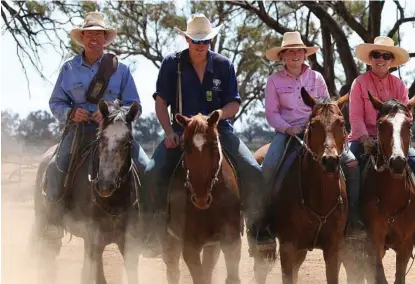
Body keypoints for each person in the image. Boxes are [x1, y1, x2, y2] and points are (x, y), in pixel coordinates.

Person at [141, 14, 276, 257]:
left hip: (219, 131)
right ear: (186, 39)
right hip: (183, 133)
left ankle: (258, 229)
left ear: (211, 40)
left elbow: (234, 104)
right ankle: (152, 230)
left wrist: (219, 114)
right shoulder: (173, 64)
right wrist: (169, 132)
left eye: (205, 41)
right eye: (195, 40)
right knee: (151, 173)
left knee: (253, 172)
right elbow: (161, 104)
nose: (200, 45)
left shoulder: (223, 65)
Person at [46, 12, 149, 235]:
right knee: (56, 166)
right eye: (89, 34)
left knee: (145, 166)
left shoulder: (121, 70)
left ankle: (146, 227)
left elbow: (135, 105)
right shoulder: (68, 69)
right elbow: (55, 102)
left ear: (105, 39)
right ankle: (52, 224)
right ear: (82, 37)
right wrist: (71, 113)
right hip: (80, 131)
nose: (94, 39)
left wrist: (112, 115)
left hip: (114, 132)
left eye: (99, 35)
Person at [263, 31, 364, 238]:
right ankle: (263, 221)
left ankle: (353, 217)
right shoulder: (274, 81)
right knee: (268, 166)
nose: (295, 54)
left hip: (318, 130)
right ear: (283, 55)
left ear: (304, 53)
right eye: (290, 51)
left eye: (299, 50)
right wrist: (287, 128)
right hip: (288, 132)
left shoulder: (316, 77)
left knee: (352, 163)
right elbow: (271, 113)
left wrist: (325, 124)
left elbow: (327, 106)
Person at [348, 36, 415, 247]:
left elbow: (406, 117)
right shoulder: (359, 84)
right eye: (376, 55)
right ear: (370, 59)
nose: (380, 59)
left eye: (386, 55)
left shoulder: (399, 85)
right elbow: (355, 117)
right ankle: (351, 224)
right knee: (349, 170)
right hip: (363, 140)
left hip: (394, 142)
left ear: (391, 60)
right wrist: (365, 138)